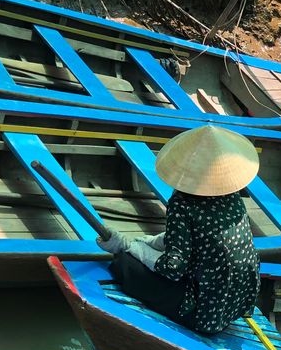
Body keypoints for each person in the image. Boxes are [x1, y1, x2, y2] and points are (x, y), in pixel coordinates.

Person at [96, 125, 261, 336]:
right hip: (236, 304)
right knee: (142, 253)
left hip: (205, 314)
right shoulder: (232, 196)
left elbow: (173, 268)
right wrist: (145, 242)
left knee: (124, 264)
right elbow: (190, 239)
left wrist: (128, 247)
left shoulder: (183, 203)